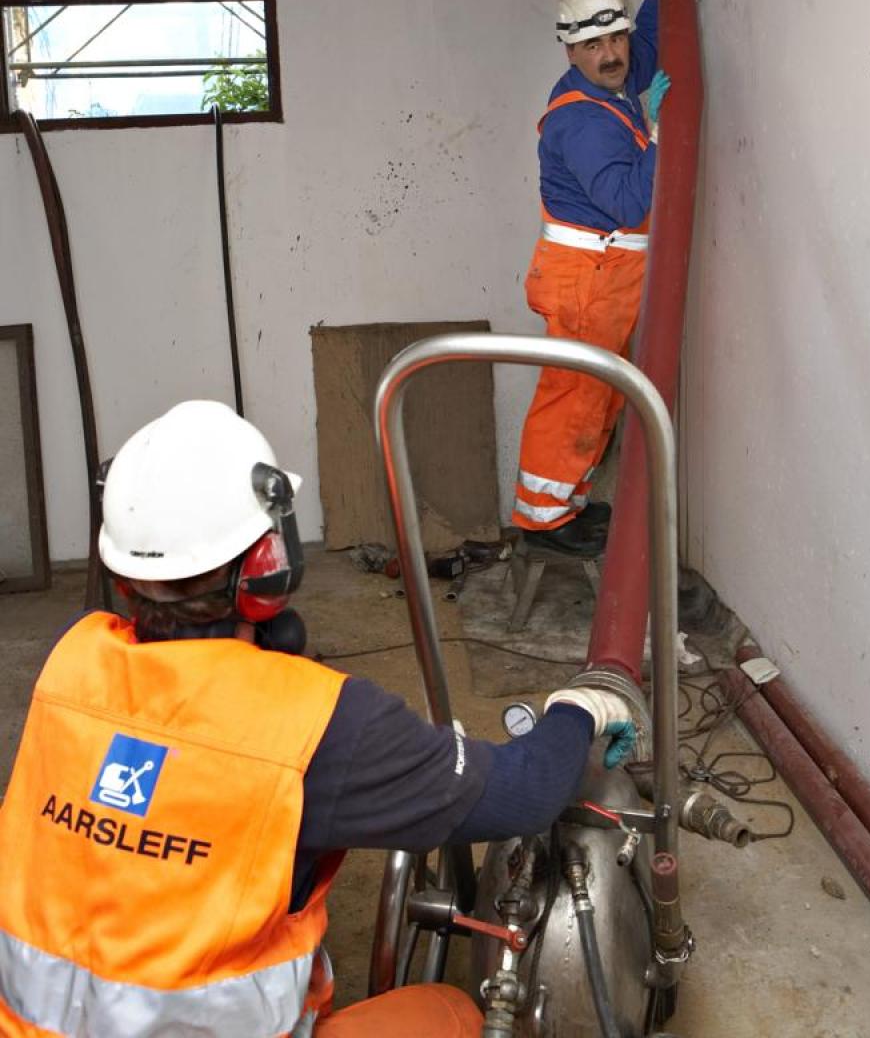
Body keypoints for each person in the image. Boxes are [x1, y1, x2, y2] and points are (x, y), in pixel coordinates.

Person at [0, 400, 638, 1038]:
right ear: (265, 567)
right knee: (451, 1013)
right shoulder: (315, 720)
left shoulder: (71, 663)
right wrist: (581, 708)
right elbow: (525, 793)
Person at [512, 0, 676, 557]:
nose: (611, 53)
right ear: (569, 52)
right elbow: (630, 202)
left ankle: (565, 503)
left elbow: (655, 46)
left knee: (596, 391)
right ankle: (544, 522)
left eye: (616, 37)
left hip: (600, 271)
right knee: (577, 395)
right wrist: (657, 129)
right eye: (593, 44)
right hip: (589, 273)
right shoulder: (582, 120)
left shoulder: (609, 84)